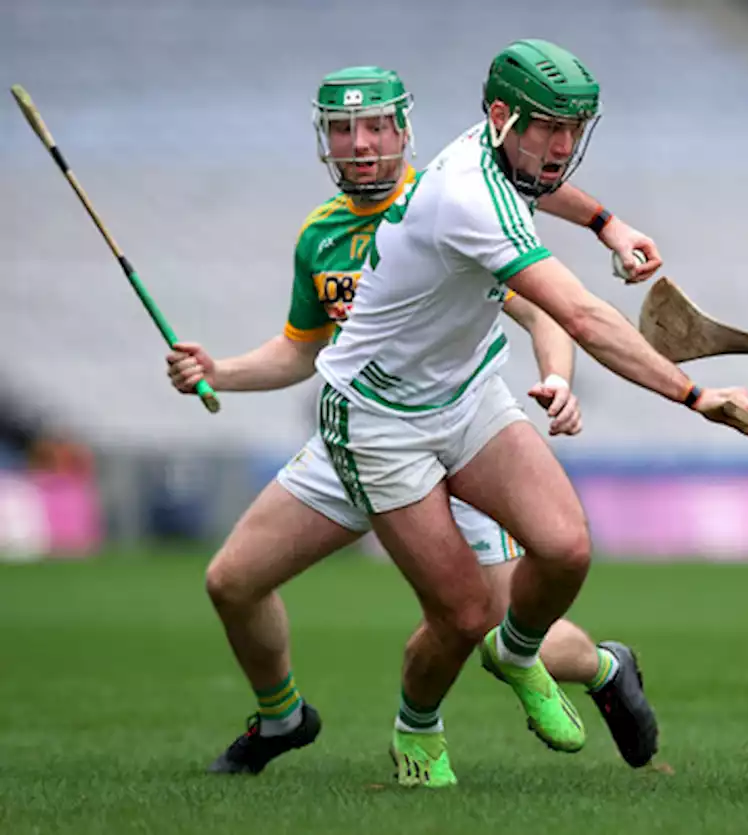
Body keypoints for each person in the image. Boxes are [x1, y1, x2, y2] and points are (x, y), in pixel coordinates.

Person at [167, 61, 675, 782]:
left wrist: (555, 374)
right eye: (344, 130)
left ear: (405, 131)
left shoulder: (453, 201)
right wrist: (217, 370)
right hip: (363, 428)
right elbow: (300, 354)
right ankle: (281, 715)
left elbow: (543, 309)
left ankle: (598, 665)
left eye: (376, 126)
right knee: (232, 580)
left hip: (453, 428)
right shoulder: (320, 237)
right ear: (325, 142)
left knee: (493, 625)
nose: (361, 144)